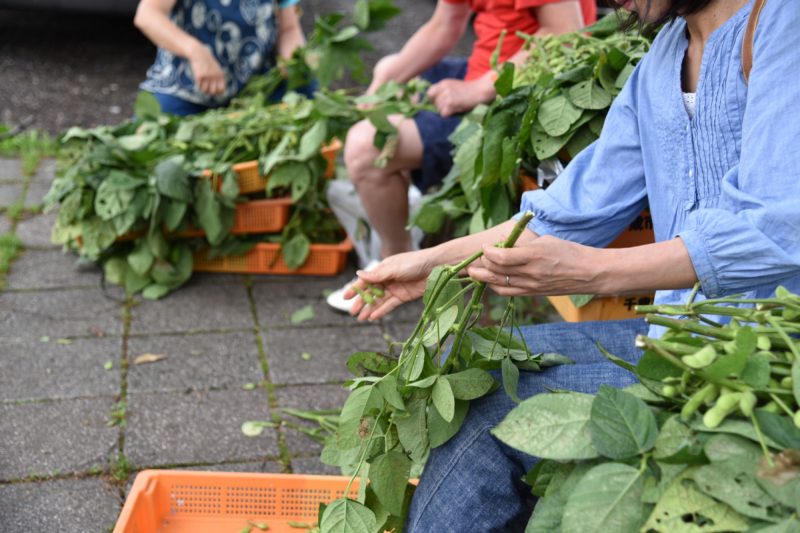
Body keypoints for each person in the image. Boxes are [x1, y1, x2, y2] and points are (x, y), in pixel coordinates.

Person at [344, 0, 800, 529]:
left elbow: (777, 230)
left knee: (492, 402)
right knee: (474, 367)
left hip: (768, 356)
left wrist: (594, 272)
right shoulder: (661, 61)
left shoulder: (783, 24)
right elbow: (567, 213)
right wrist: (434, 264)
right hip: (679, 344)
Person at [325, 0, 596, 312]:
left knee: (364, 147)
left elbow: (567, 33)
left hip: (523, 95)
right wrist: (384, 83)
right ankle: (407, 225)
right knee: (389, 66)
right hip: (485, 70)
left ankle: (394, 261)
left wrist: (477, 89)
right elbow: (445, 23)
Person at [134, 0, 308, 116]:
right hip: (187, 86)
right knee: (155, 141)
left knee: (306, 93)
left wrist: (291, 59)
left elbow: (289, 30)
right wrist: (195, 51)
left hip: (256, 88)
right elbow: (148, 15)